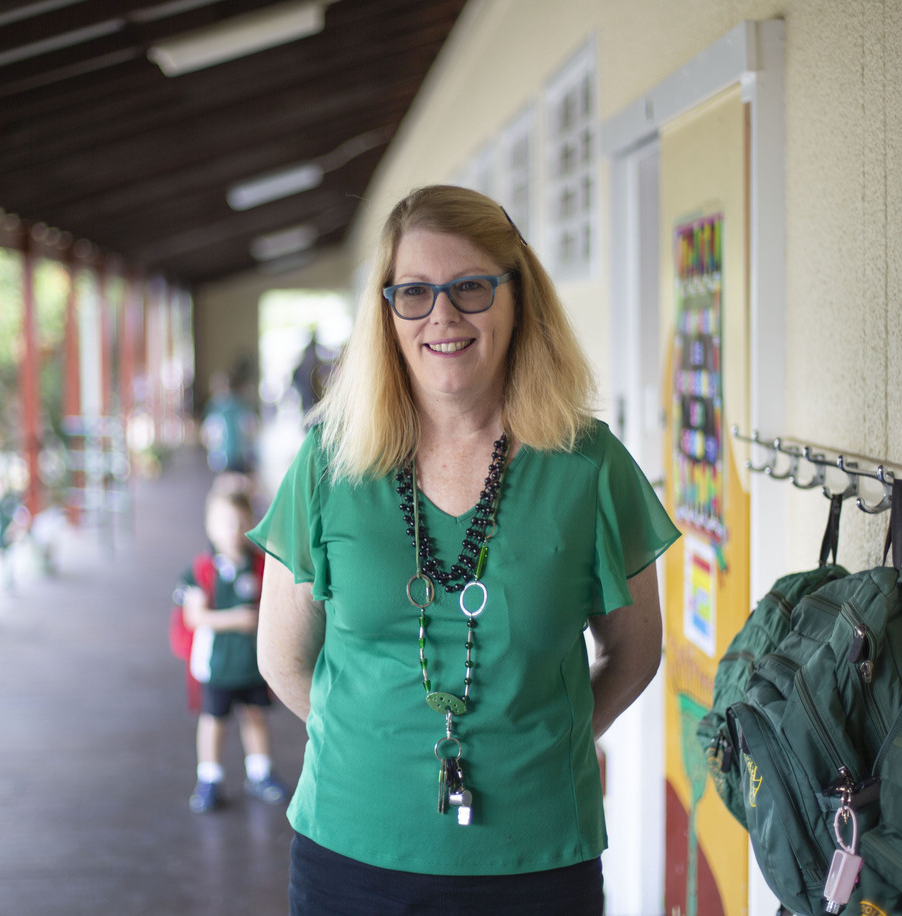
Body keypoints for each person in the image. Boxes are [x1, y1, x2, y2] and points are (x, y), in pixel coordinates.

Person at [248, 185, 680, 915]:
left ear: (518, 300)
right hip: (353, 853)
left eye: (470, 288)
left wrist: (543, 745)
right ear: (386, 314)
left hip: (538, 856)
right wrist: (373, 745)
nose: (441, 315)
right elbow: (281, 658)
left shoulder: (588, 465)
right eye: (412, 292)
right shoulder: (330, 461)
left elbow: (634, 652)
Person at [178, 479, 289, 812]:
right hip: (217, 664)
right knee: (213, 720)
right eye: (225, 522)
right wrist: (236, 619)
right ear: (210, 526)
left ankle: (260, 772)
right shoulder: (201, 570)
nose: (233, 530)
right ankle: (209, 777)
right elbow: (193, 617)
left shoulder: (260, 565)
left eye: (241, 522)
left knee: (255, 716)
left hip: (253, 662)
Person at [201, 370, 259, 476]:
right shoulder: (213, 408)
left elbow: (250, 426)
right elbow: (207, 433)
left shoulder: (238, 406)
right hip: (221, 456)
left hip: (239, 455)